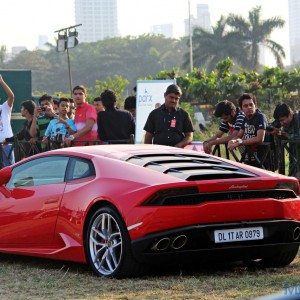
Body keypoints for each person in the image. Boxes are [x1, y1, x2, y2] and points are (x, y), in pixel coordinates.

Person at [228, 93, 268, 168]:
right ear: (241, 109)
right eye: (245, 106)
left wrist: (240, 142)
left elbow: (259, 139)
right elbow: (239, 135)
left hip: (262, 160)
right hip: (249, 158)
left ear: (255, 105)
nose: (249, 107)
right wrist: (232, 141)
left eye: (251, 105)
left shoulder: (260, 117)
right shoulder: (245, 119)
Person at [273, 103, 300, 179]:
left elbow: (297, 137)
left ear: (290, 114)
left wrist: (283, 133)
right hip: (294, 163)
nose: (281, 123)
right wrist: (277, 134)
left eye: (283, 120)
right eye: (280, 121)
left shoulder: (298, 119)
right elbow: (285, 140)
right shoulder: (287, 124)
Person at [0, 74, 15, 167]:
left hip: (6, 145)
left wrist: (1, 82)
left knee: (9, 171)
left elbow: (11, 96)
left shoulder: (4, 107)